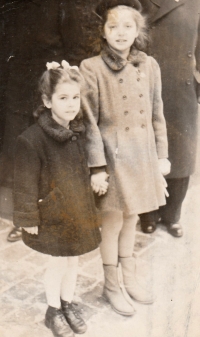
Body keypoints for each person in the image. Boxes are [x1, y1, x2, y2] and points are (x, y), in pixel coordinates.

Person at [80, 0, 170, 316]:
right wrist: (97, 168)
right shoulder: (91, 68)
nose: (121, 33)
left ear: (138, 30)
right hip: (113, 158)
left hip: (141, 156)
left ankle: (129, 279)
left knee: (132, 217)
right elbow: (89, 122)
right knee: (113, 221)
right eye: (112, 26)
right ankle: (110, 286)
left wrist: (162, 156)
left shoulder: (150, 66)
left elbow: (158, 114)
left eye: (127, 26)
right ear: (103, 33)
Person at [13, 61, 102, 337]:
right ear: (46, 100)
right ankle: (53, 310)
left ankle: (67, 302)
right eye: (63, 98)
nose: (71, 104)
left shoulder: (77, 131)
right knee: (57, 262)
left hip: (76, 212)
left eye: (75, 97)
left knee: (73, 260)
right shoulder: (32, 140)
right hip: (52, 215)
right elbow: (25, 184)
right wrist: (28, 218)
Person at [0, 0, 83, 242]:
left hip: (48, 93)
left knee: (51, 155)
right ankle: (26, 216)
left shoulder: (62, 5)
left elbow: (75, 52)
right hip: (15, 89)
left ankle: (52, 215)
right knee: (20, 155)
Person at [138, 0, 200, 237]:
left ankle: (173, 215)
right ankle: (149, 213)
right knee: (148, 149)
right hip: (148, 83)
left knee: (182, 153)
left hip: (182, 86)